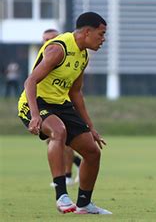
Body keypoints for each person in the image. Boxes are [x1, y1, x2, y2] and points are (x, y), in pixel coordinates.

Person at [17, 12, 111, 214]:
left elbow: (75, 93)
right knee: (58, 131)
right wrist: (34, 115)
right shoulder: (58, 49)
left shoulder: (83, 55)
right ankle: (61, 196)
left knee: (92, 152)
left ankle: (84, 204)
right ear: (87, 32)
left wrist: (90, 127)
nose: (103, 39)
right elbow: (30, 81)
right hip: (34, 101)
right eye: (101, 34)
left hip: (60, 103)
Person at [42, 29, 83, 187]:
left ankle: (66, 176)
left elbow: (75, 90)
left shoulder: (65, 55)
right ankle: (79, 163)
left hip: (62, 105)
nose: (47, 42)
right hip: (46, 105)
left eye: (51, 39)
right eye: (44, 39)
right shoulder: (45, 58)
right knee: (54, 140)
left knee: (62, 139)